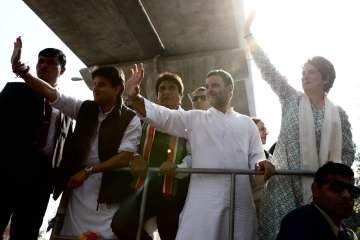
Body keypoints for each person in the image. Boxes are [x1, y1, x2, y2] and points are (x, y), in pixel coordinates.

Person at [124, 64, 274, 240]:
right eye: (208, 86)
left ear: (230, 89)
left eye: (215, 85)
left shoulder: (247, 124)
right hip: (203, 202)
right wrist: (135, 97)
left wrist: (262, 166)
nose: (210, 90)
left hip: (239, 201)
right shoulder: (195, 118)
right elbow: (164, 117)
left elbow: (256, 158)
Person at [11, 37, 142, 239]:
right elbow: (51, 93)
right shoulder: (84, 109)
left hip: (110, 190)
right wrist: (24, 73)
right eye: (95, 84)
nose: (95, 88)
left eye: (102, 85)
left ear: (117, 89)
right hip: (77, 190)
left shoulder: (130, 119)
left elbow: (125, 157)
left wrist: (89, 171)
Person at [244, 13, 355, 239]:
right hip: (285, 185)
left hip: (322, 190)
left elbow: (348, 151)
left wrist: (332, 179)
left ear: (325, 78)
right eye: (303, 73)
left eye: (311, 72)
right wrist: (248, 37)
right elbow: (268, 70)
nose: (305, 76)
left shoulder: (338, 114)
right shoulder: (290, 98)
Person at [0, 37, 73, 240]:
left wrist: (59, 182)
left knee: (26, 232)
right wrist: (21, 70)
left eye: (51, 63)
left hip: (40, 181)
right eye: (41, 61)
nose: (44, 66)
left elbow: (66, 148)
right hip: (7, 172)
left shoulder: (66, 109)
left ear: (62, 71)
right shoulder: (15, 91)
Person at [112, 72, 190, 240]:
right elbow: (130, 145)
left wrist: (178, 168)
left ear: (180, 96)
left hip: (174, 191)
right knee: (120, 224)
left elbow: (196, 154)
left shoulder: (190, 121)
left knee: (170, 234)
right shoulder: (142, 119)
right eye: (162, 89)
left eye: (171, 88)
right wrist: (135, 157)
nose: (166, 92)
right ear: (157, 96)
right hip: (144, 187)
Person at [276, 162, 359, 240]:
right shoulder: (300, 222)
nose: (347, 195)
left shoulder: (344, 232)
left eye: (353, 191)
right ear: (315, 189)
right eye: (337, 187)